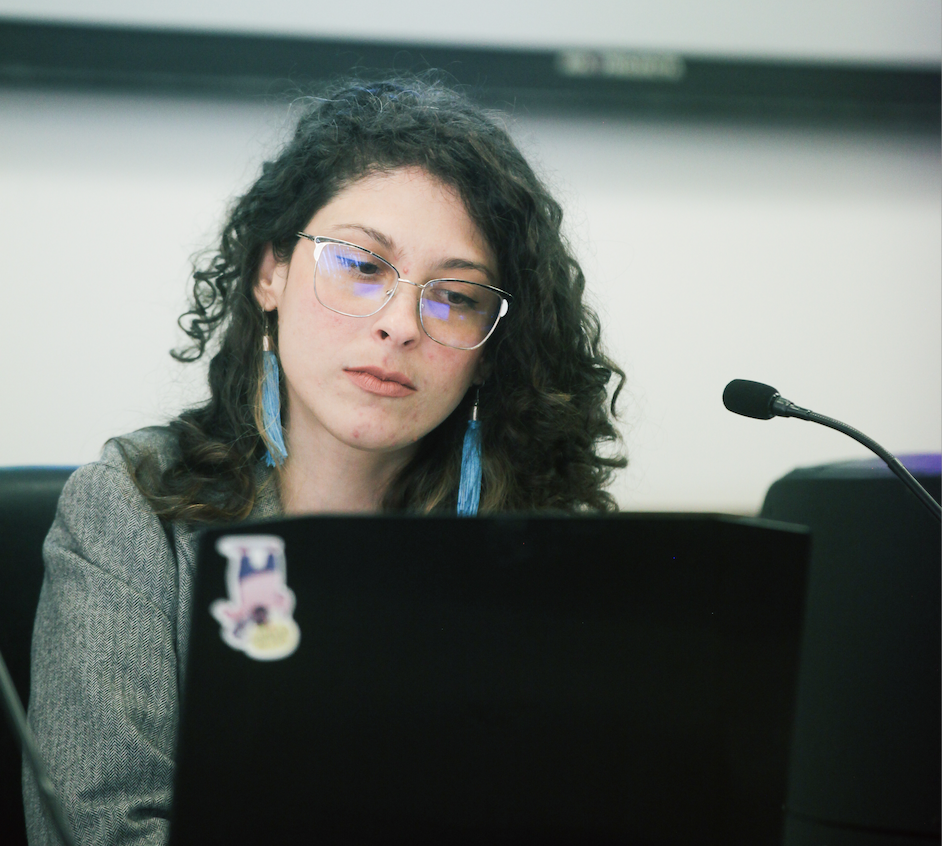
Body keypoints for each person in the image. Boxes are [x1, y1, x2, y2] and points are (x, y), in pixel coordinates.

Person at [23, 75, 627, 845]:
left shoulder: (532, 542)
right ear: (269, 272)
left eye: (456, 297)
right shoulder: (132, 509)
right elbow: (104, 833)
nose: (402, 325)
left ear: (486, 354)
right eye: (363, 265)